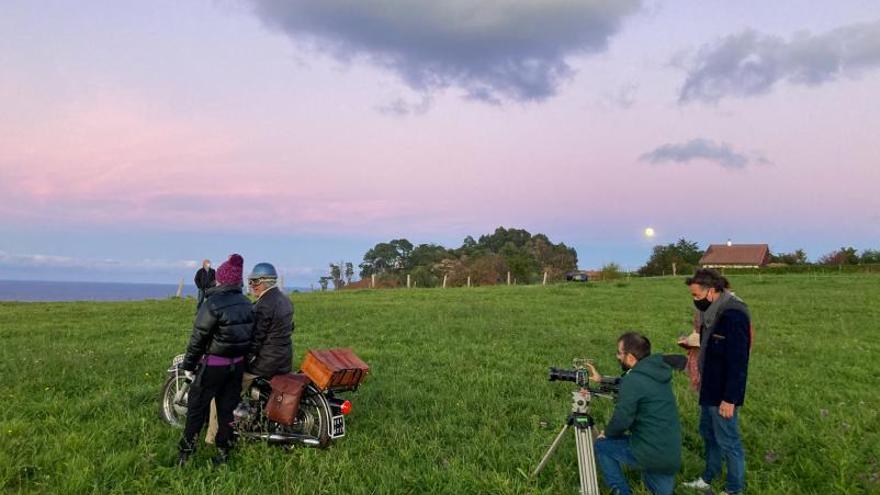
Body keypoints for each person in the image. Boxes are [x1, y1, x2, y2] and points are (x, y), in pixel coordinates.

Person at [177, 253, 254, 466]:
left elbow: (198, 338)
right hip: (236, 366)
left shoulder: (212, 304)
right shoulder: (247, 303)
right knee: (226, 411)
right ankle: (223, 452)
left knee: (196, 409)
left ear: (222, 279)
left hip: (213, 366)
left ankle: (185, 454)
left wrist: (189, 366)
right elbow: (251, 337)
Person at [205, 262, 293, 445]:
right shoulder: (285, 300)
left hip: (265, 363)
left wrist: (241, 355)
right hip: (283, 361)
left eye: (254, 281)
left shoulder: (264, 304)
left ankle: (213, 437)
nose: (251, 285)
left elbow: (255, 338)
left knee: (222, 389)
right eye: (250, 281)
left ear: (264, 281)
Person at [681, 269, 751, 495]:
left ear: (711, 291)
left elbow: (738, 362)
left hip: (723, 392)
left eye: (695, 295)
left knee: (729, 441)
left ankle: (734, 489)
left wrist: (730, 399)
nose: (694, 300)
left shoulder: (734, 315)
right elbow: (709, 347)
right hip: (709, 386)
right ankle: (708, 477)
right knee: (709, 434)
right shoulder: (709, 313)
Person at [586, 332, 681, 495]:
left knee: (602, 446)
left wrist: (607, 433)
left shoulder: (634, 380)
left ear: (629, 357)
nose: (617, 356)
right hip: (670, 452)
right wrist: (602, 380)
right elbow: (630, 384)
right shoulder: (655, 373)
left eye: (619, 353)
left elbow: (622, 419)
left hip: (649, 451)